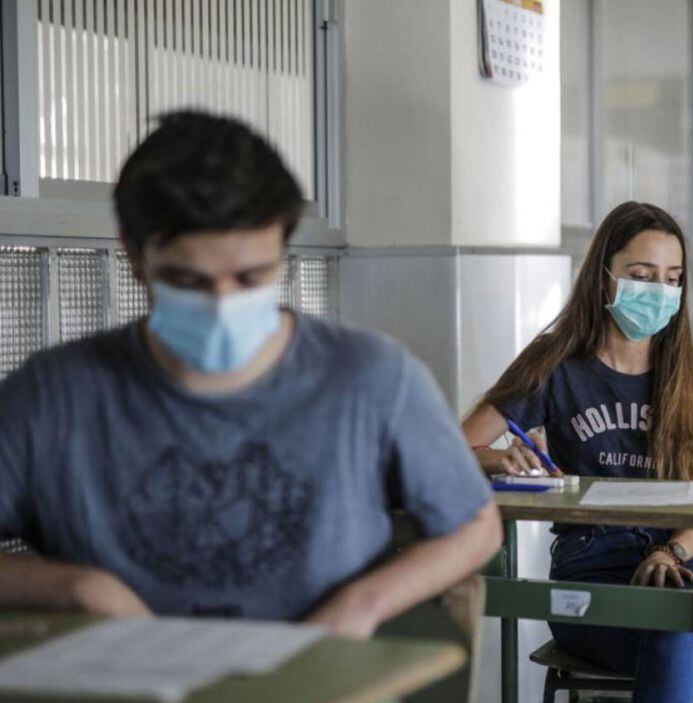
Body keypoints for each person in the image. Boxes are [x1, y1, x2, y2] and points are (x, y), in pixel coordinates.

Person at [0, 111, 502, 637]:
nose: (221, 304)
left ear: (282, 253)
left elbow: (473, 525)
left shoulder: (371, 380)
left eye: (250, 277)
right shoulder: (53, 395)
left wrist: (363, 604)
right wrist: (76, 589)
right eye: (186, 281)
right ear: (133, 256)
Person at [463, 201, 693, 703]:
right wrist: (495, 457)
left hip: (679, 555)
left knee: (690, 631)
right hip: (589, 562)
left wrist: (669, 550)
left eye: (673, 278)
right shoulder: (555, 362)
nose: (659, 290)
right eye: (642, 274)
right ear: (604, 275)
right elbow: (459, 445)